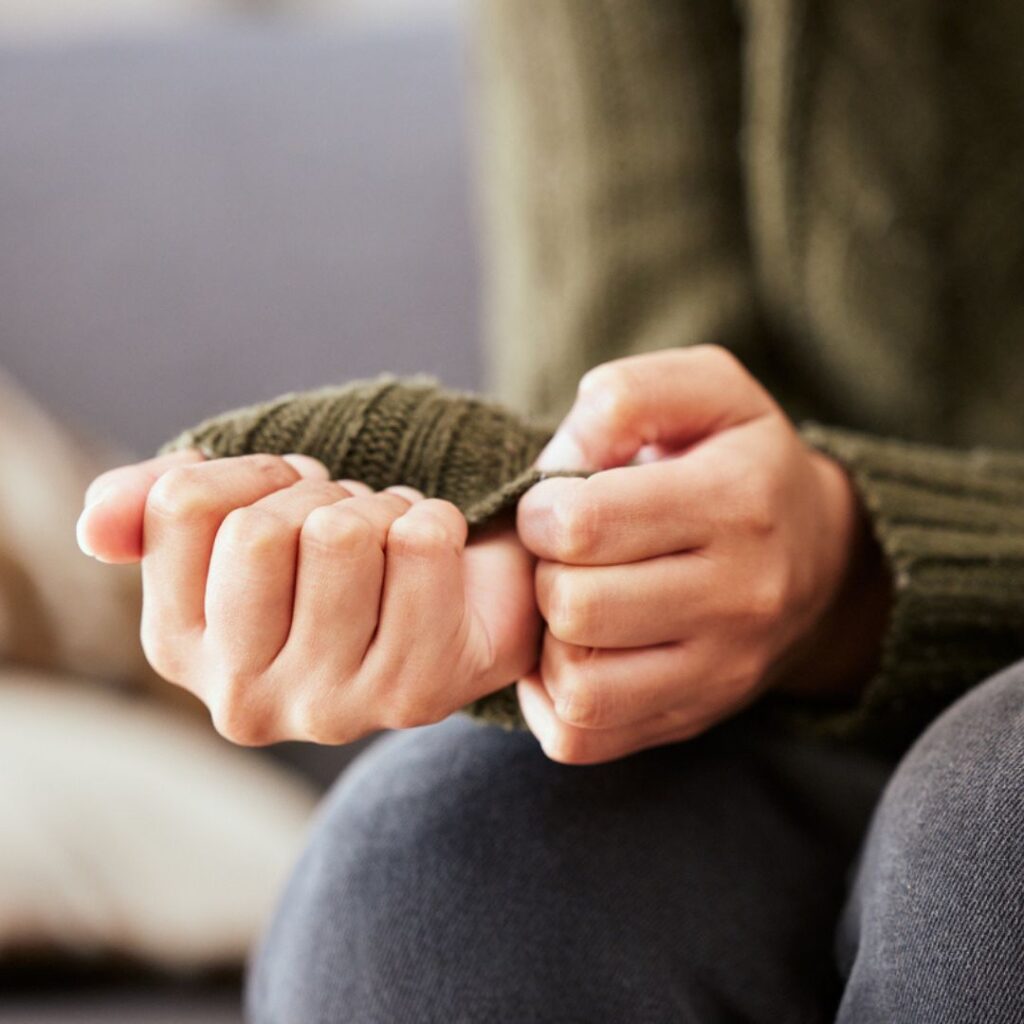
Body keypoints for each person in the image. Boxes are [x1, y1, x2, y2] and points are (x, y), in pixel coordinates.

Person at [76, 1, 1024, 1020]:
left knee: (993, 826)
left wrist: (845, 559)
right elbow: (621, 394)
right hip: (790, 707)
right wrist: (580, 574)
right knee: (424, 876)